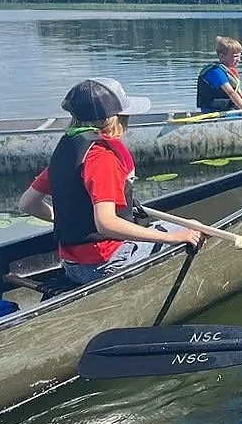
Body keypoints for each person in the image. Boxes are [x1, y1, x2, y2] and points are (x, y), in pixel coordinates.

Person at [18, 79, 202, 286]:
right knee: (185, 231)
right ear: (117, 119)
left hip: (72, 265)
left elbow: (27, 203)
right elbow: (106, 224)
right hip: (106, 265)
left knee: (175, 226)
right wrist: (177, 237)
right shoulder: (103, 159)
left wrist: (69, 222)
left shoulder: (70, 152)